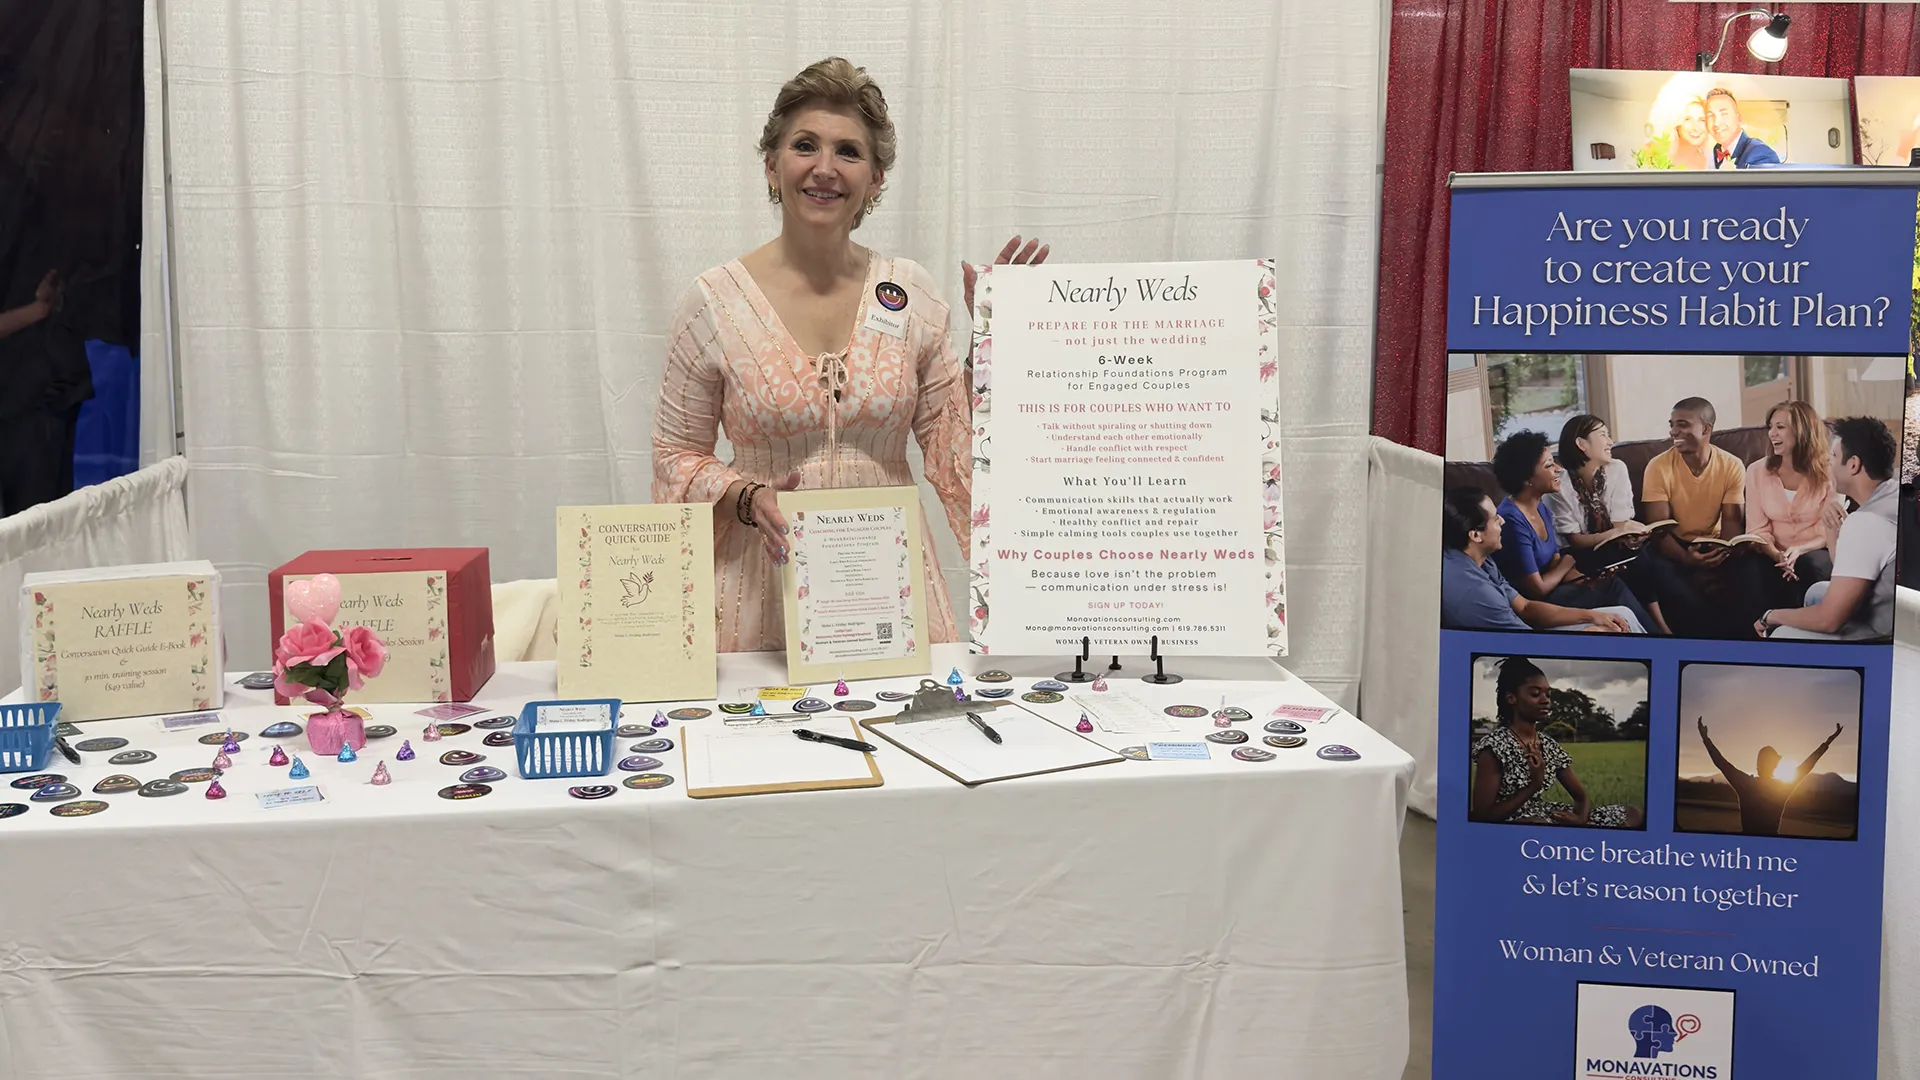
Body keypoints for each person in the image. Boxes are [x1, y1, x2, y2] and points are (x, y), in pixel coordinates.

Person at [651, 58, 1048, 652]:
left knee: (905, 741)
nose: (825, 168)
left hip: (889, 590)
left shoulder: (910, 293)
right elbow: (675, 454)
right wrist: (746, 496)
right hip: (757, 591)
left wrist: (991, 342)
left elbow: (950, 441)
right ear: (772, 164)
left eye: (849, 152)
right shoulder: (714, 302)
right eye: (805, 145)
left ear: (877, 178)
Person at [1488, 430, 1659, 632]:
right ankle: (1659, 642)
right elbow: (1537, 589)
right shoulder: (1511, 520)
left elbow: (1553, 561)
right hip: (1536, 605)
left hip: (1556, 589)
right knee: (1614, 590)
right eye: (1549, 465)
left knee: (1612, 581)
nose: (1559, 469)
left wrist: (1585, 579)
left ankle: (1657, 641)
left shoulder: (1540, 507)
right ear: (1527, 479)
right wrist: (1568, 562)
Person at [1760, 417, 1900, 641]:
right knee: (1817, 591)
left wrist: (1772, 616)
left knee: (1781, 634)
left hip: (1884, 635)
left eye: (1833, 457)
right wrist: (1831, 530)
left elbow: (1829, 620)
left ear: (1853, 464)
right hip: (1894, 610)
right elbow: (1849, 569)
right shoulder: (1895, 493)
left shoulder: (1867, 522)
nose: (1828, 464)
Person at [1470, 657, 1644, 828]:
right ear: (1511, 698)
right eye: (1535, 694)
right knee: (1536, 826)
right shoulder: (1494, 747)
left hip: (1546, 815)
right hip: (1516, 824)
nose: (1545, 700)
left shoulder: (1548, 746)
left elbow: (1581, 797)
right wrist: (1533, 786)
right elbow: (1482, 816)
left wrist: (1580, 820)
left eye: (1548, 694)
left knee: (1633, 813)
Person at [1440, 487, 1642, 633]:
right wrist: (1591, 633)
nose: (1502, 520)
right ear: (1475, 535)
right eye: (1494, 519)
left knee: (1620, 614)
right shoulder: (1478, 594)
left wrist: (1592, 616)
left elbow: (1525, 607)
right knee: (1617, 628)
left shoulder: (1480, 558)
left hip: (1523, 633)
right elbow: (1529, 647)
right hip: (1516, 652)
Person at [1640, 396, 1761, 636]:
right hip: (1674, 546)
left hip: (1716, 543)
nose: (1674, 431)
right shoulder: (1658, 466)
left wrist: (1717, 559)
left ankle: (1752, 644)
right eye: (1672, 424)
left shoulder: (1732, 465)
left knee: (1752, 572)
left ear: (1706, 429)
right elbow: (1658, 530)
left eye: (1683, 424)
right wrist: (1687, 560)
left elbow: (1732, 523)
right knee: (1661, 572)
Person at [1545, 414, 1674, 634]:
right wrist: (1618, 533)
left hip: (1611, 545)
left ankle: (1660, 628)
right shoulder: (1560, 486)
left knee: (1640, 557)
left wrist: (1627, 534)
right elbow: (1575, 539)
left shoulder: (1617, 469)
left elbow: (1619, 523)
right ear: (1581, 444)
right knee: (1633, 562)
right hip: (1576, 553)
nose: (1610, 441)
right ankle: (1659, 633)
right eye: (1603, 435)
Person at [1744, 400, 1836, 606]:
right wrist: (1778, 556)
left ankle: (1807, 629)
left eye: (1780, 427)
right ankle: (1761, 631)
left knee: (1809, 565)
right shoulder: (1756, 471)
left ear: (1802, 432)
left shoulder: (1830, 470)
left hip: (1815, 550)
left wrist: (1800, 550)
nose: (1771, 434)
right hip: (1773, 552)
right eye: (1771, 427)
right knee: (1747, 567)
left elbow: (1829, 530)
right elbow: (1758, 528)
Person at [1696, 717, 1843, 837]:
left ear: (1758, 763)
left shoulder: (1747, 784)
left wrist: (1706, 738)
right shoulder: (1780, 788)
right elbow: (1807, 765)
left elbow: (1721, 763)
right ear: (1775, 766)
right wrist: (1828, 742)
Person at [1705, 87, 1781, 169]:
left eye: (1724, 114)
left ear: (1739, 119)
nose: (1717, 123)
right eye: (1710, 115)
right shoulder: (1713, 154)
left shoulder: (1760, 153)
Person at [1671, 97, 1711, 170]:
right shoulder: (1654, 155)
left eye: (1702, 120)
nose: (1695, 127)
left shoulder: (1712, 161)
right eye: (1687, 119)